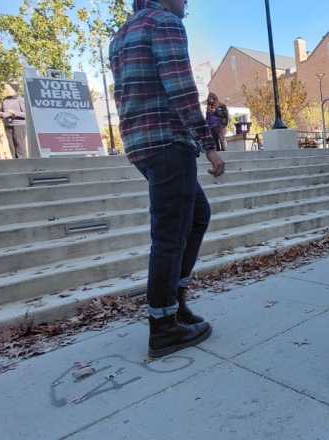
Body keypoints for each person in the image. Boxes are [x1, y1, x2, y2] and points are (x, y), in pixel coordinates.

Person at [110, 0, 224, 358]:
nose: (187, 2)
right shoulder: (165, 22)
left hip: (141, 144)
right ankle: (163, 326)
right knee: (170, 235)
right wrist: (209, 145)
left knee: (197, 216)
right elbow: (182, 90)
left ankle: (175, 303)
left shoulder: (121, 34)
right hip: (168, 141)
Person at [0, 84, 28, 159]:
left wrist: (14, 113)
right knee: (11, 148)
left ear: (13, 90)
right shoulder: (5, 100)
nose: (5, 90)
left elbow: (26, 114)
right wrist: (1, 114)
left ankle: (23, 163)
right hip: (7, 125)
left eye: (7, 88)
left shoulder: (20, 99)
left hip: (19, 126)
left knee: (20, 147)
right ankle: (15, 162)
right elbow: (2, 111)